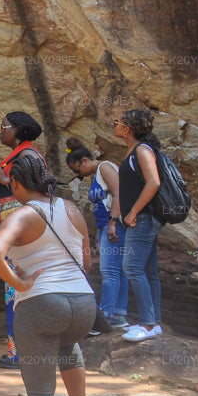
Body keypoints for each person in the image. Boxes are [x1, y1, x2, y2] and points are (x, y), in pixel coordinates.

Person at [0, 154, 99, 396]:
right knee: (68, 344)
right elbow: (87, 261)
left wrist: (19, 284)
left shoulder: (21, 215)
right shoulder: (71, 208)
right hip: (83, 304)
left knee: (41, 394)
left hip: (41, 304)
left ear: (16, 183)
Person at [0, 111, 46, 369]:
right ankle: (21, 351)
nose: (1, 130)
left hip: (22, 236)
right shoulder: (21, 155)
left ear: (18, 130)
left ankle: (19, 354)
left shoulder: (29, 156)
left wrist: (4, 180)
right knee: (16, 291)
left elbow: (38, 193)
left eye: (5, 126)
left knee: (17, 291)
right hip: (17, 233)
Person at [66, 139, 129, 331]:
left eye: (77, 169)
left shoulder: (105, 167)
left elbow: (119, 194)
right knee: (118, 271)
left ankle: (106, 315)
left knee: (110, 271)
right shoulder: (98, 174)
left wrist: (112, 223)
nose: (78, 174)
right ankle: (118, 315)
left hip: (114, 225)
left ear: (85, 160)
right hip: (106, 226)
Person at [114, 108, 164, 342]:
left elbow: (153, 182)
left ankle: (147, 324)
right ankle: (155, 323)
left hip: (143, 218)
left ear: (127, 129)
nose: (114, 125)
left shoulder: (142, 150)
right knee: (149, 271)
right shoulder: (135, 150)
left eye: (117, 123)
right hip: (144, 218)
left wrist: (132, 212)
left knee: (132, 268)